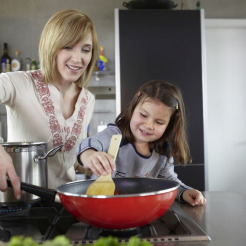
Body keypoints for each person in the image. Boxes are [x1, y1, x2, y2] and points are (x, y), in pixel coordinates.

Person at [0, 9, 98, 199]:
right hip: (19, 204)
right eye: (68, 47)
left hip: (65, 207)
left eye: (85, 49)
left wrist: (91, 161)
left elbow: (69, 160)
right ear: (51, 46)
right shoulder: (18, 83)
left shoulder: (88, 99)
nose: (78, 59)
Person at [77, 80, 206, 206]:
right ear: (133, 109)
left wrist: (184, 191)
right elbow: (91, 143)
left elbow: (169, 182)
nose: (148, 125)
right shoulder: (115, 135)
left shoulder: (162, 152)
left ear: (169, 125)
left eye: (159, 122)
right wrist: (89, 155)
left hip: (138, 211)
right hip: (100, 207)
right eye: (143, 115)